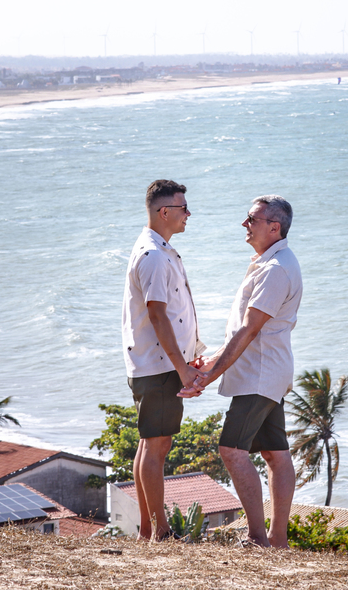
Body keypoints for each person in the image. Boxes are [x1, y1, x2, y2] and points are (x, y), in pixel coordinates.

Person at [179, 194, 302, 548]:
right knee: (276, 455)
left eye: (251, 219)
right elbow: (246, 330)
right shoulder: (272, 263)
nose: (244, 224)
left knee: (232, 451)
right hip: (267, 372)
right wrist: (214, 358)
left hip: (259, 376)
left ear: (273, 227)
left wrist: (209, 373)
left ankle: (258, 538)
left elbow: (249, 330)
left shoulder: (276, 270)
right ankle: (277, 540)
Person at [122, 179, 206, 541]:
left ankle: (147, 530)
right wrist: (183, 368)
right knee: (156, 447)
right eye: (183, 207)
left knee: (150, 444)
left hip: (156, 365)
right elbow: (158, 317)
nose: (189, 213)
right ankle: (160, 532)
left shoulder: (159, 249)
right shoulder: (154, 256)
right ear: (164, 212)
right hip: (159, 367)